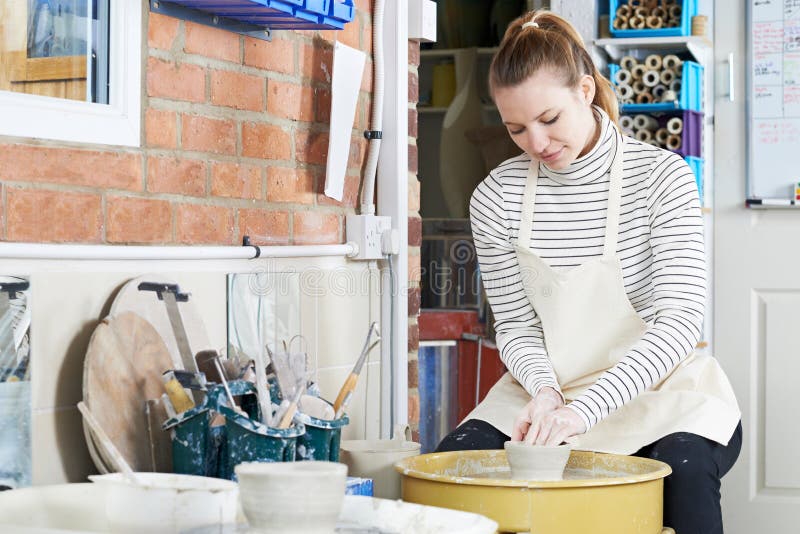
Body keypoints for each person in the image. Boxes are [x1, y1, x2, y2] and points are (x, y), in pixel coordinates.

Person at [436, 10, 742, 534]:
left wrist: (584, 412)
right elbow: (515, 326)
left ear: (584, 90)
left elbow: (679, 322)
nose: (535, 143)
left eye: (549, 119)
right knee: (455, 473)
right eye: (516, 129)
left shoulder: (661, 178)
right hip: (547, 387)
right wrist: (548, 395)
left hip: (660, 390)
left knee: (684, 476)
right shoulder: (497, 197)